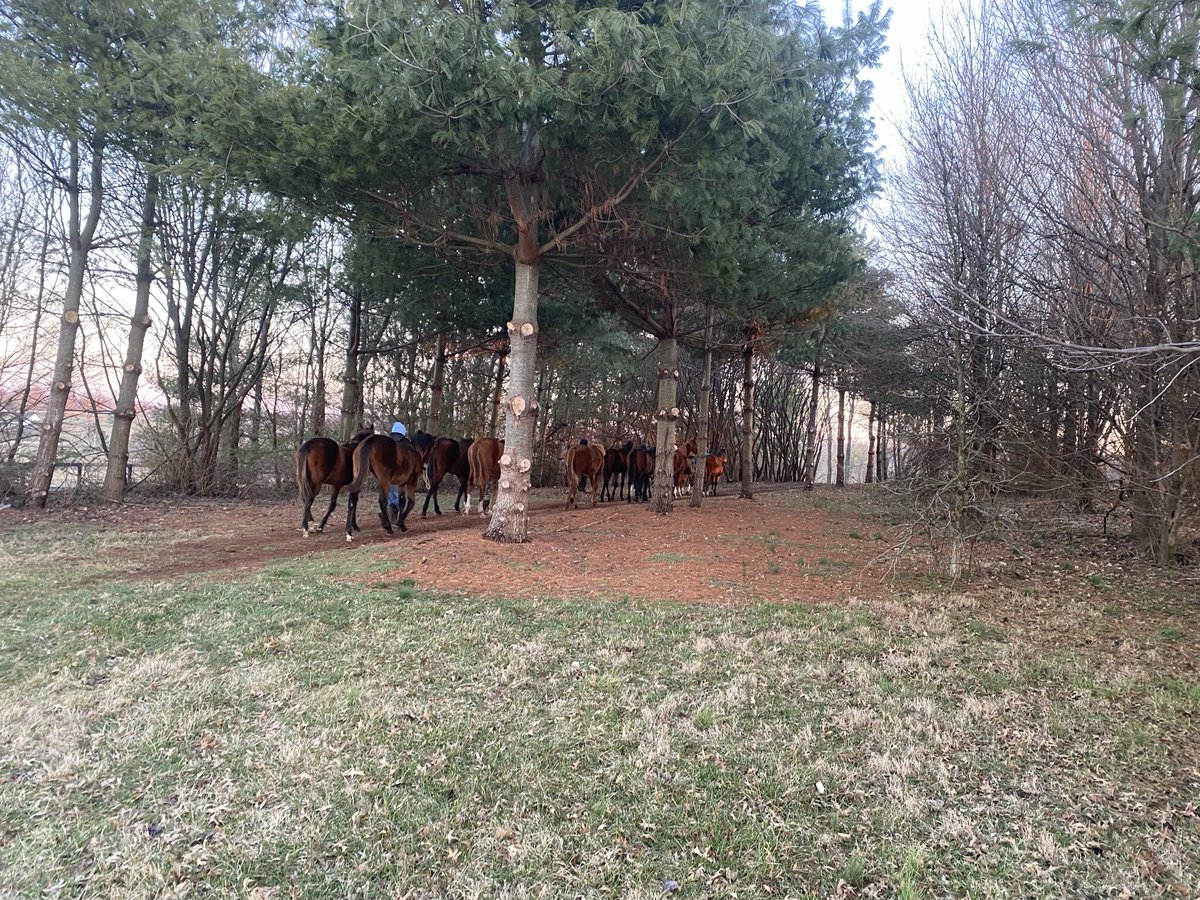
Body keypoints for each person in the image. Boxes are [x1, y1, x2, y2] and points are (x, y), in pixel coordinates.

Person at [388, 421, 407, 515]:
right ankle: (394, 508)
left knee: (389, 491)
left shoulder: (387, 443)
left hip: (386, 472)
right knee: (396, 491)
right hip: (398, 473)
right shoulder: (404, 445)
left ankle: (390, 507)